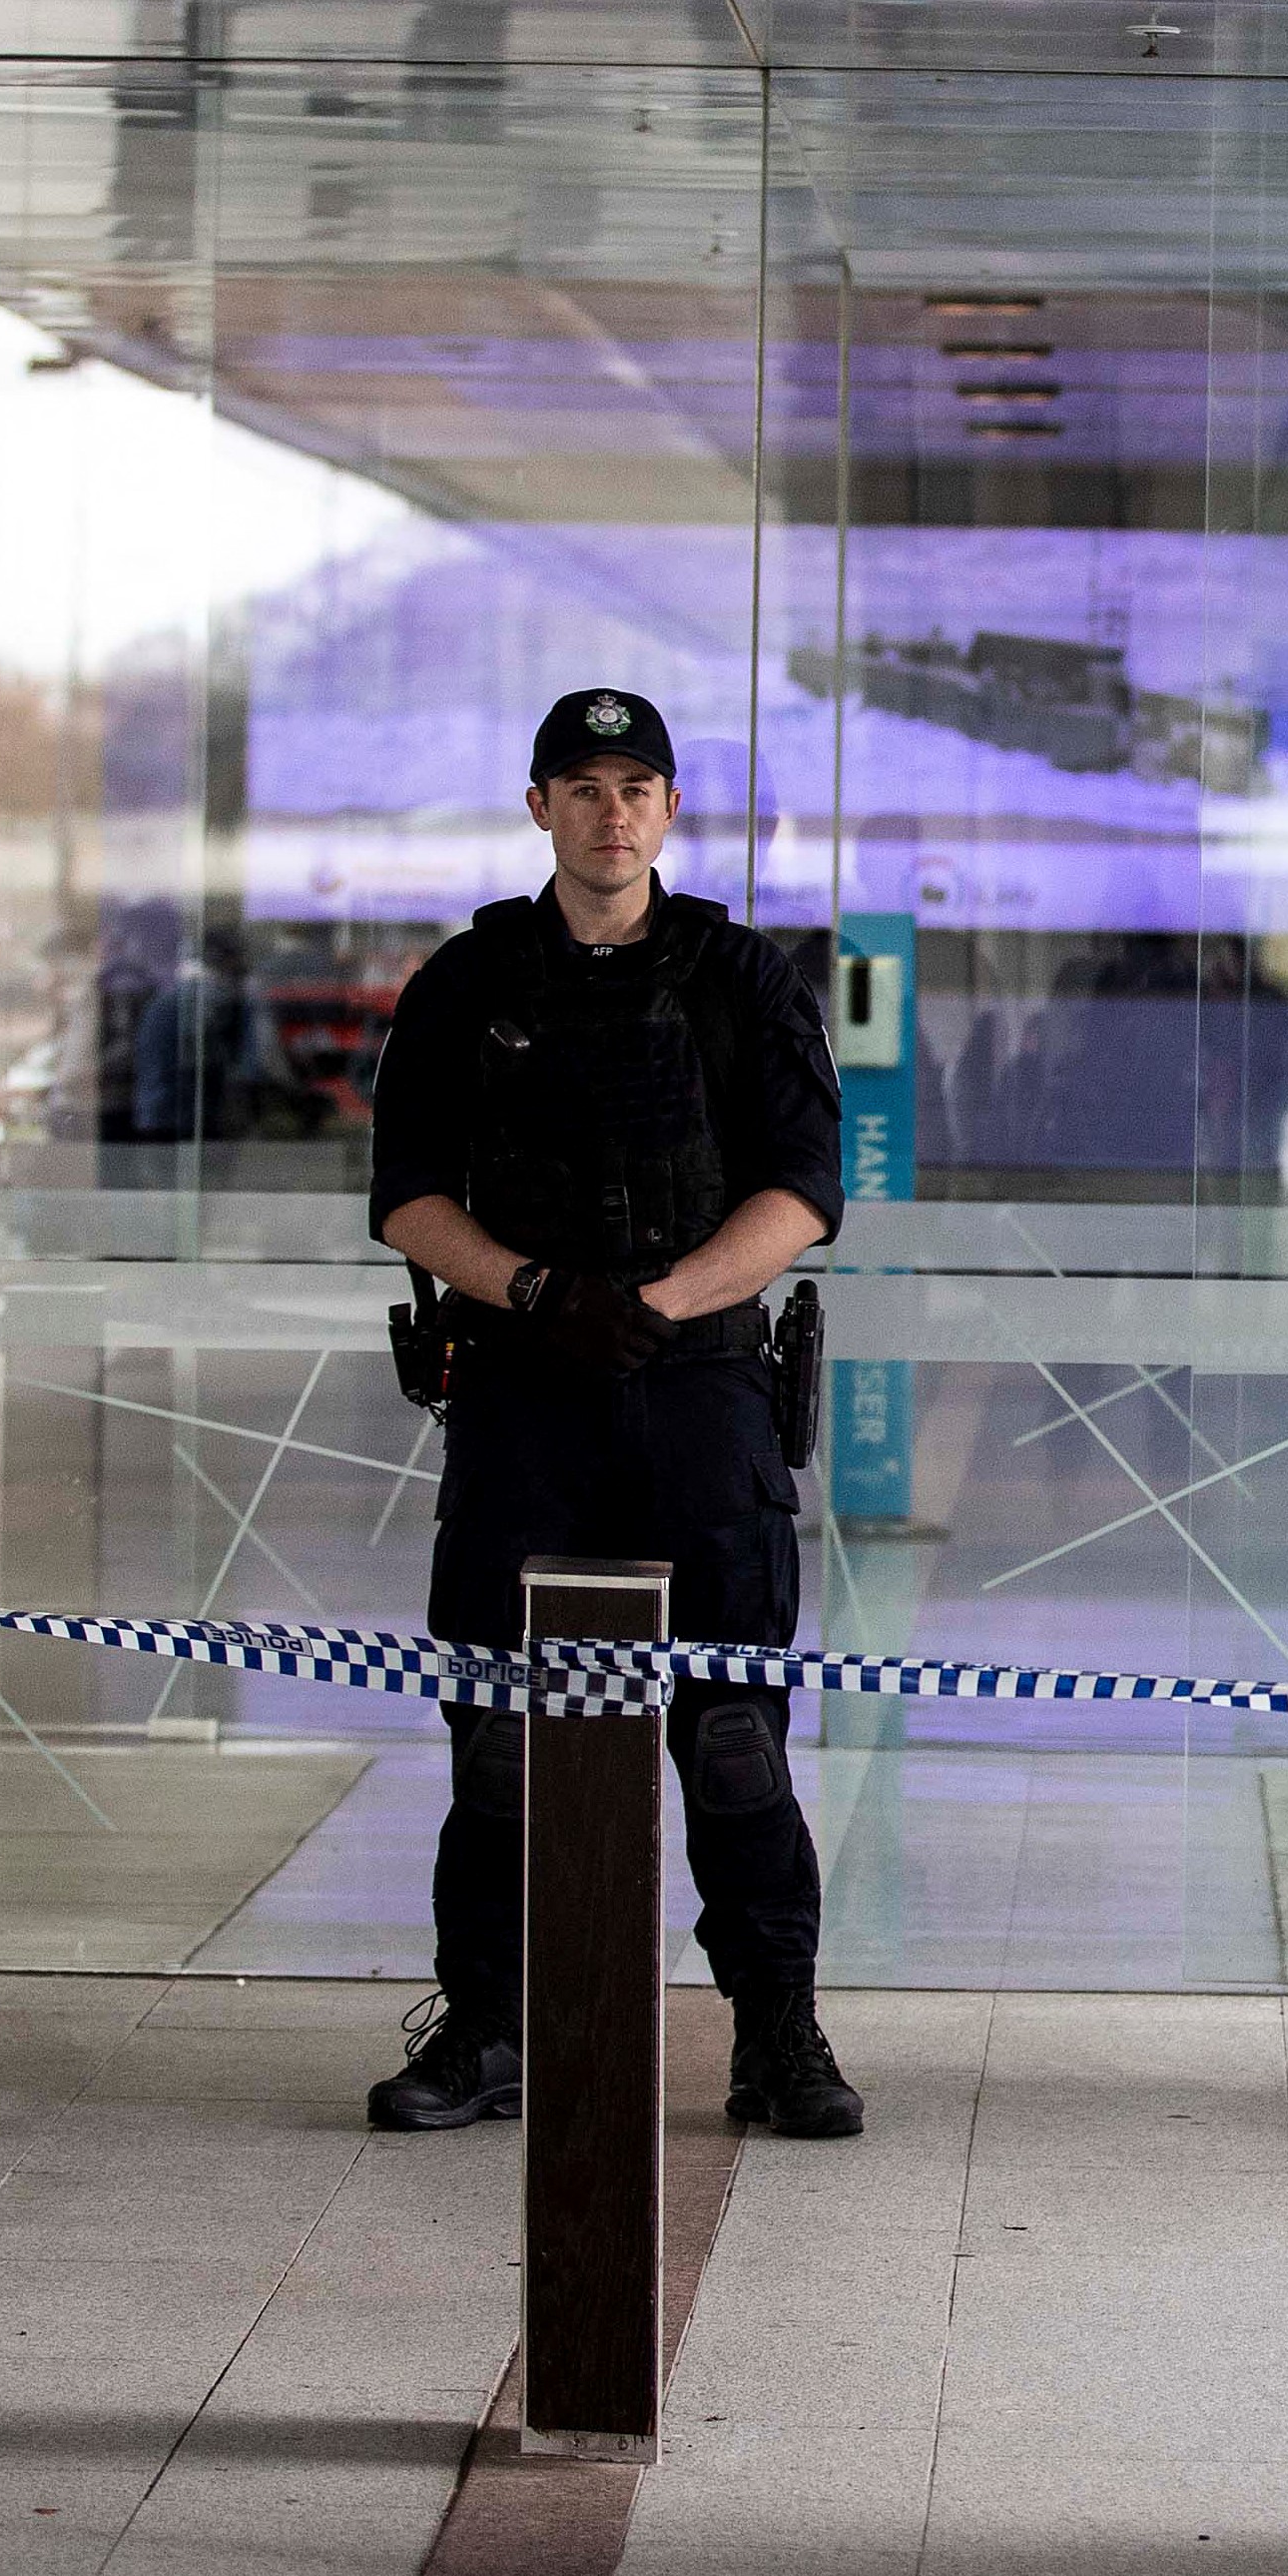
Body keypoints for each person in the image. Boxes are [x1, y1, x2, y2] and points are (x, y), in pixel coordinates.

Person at [359, 688, 861, 2143]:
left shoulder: (738, 978)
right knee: (501, 1735)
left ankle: (776, 2038)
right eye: (580, 785)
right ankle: (493, 2030)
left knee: (732, 1741)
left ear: (668, 808)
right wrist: (533, 1294)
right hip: (523, 1394)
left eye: (635, 784)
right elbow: (404, 1195)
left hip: (702, 1398)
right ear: (539, 809)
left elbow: (806, 1194)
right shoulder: (468, 981)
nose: (610, 810)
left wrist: (664, 1301)